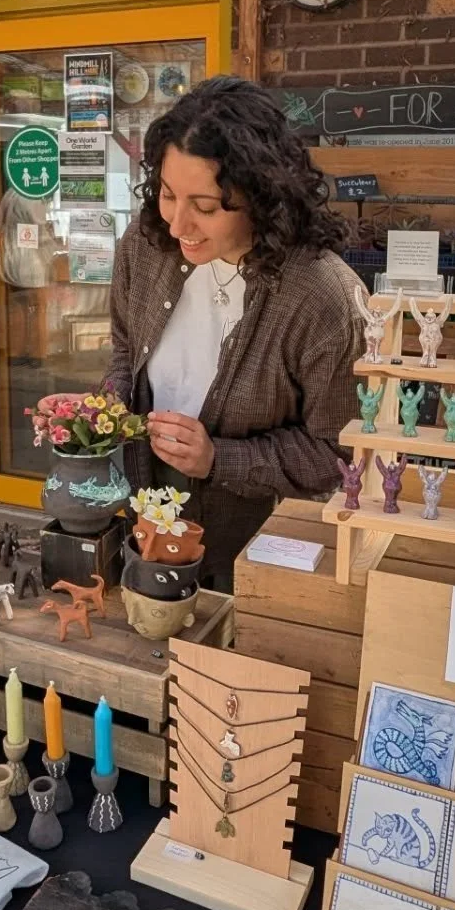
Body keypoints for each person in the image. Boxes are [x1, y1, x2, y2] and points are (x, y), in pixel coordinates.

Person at [108, 76, 363, 589]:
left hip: (251, 554)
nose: (179, 225)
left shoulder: (322, 297)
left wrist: (219, 458)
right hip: (140, 520)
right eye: (166, 194)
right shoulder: (146, 245)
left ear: (262, 196)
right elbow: (124, 351)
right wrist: (100, 413)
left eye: (205, 207)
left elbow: (340, 453)